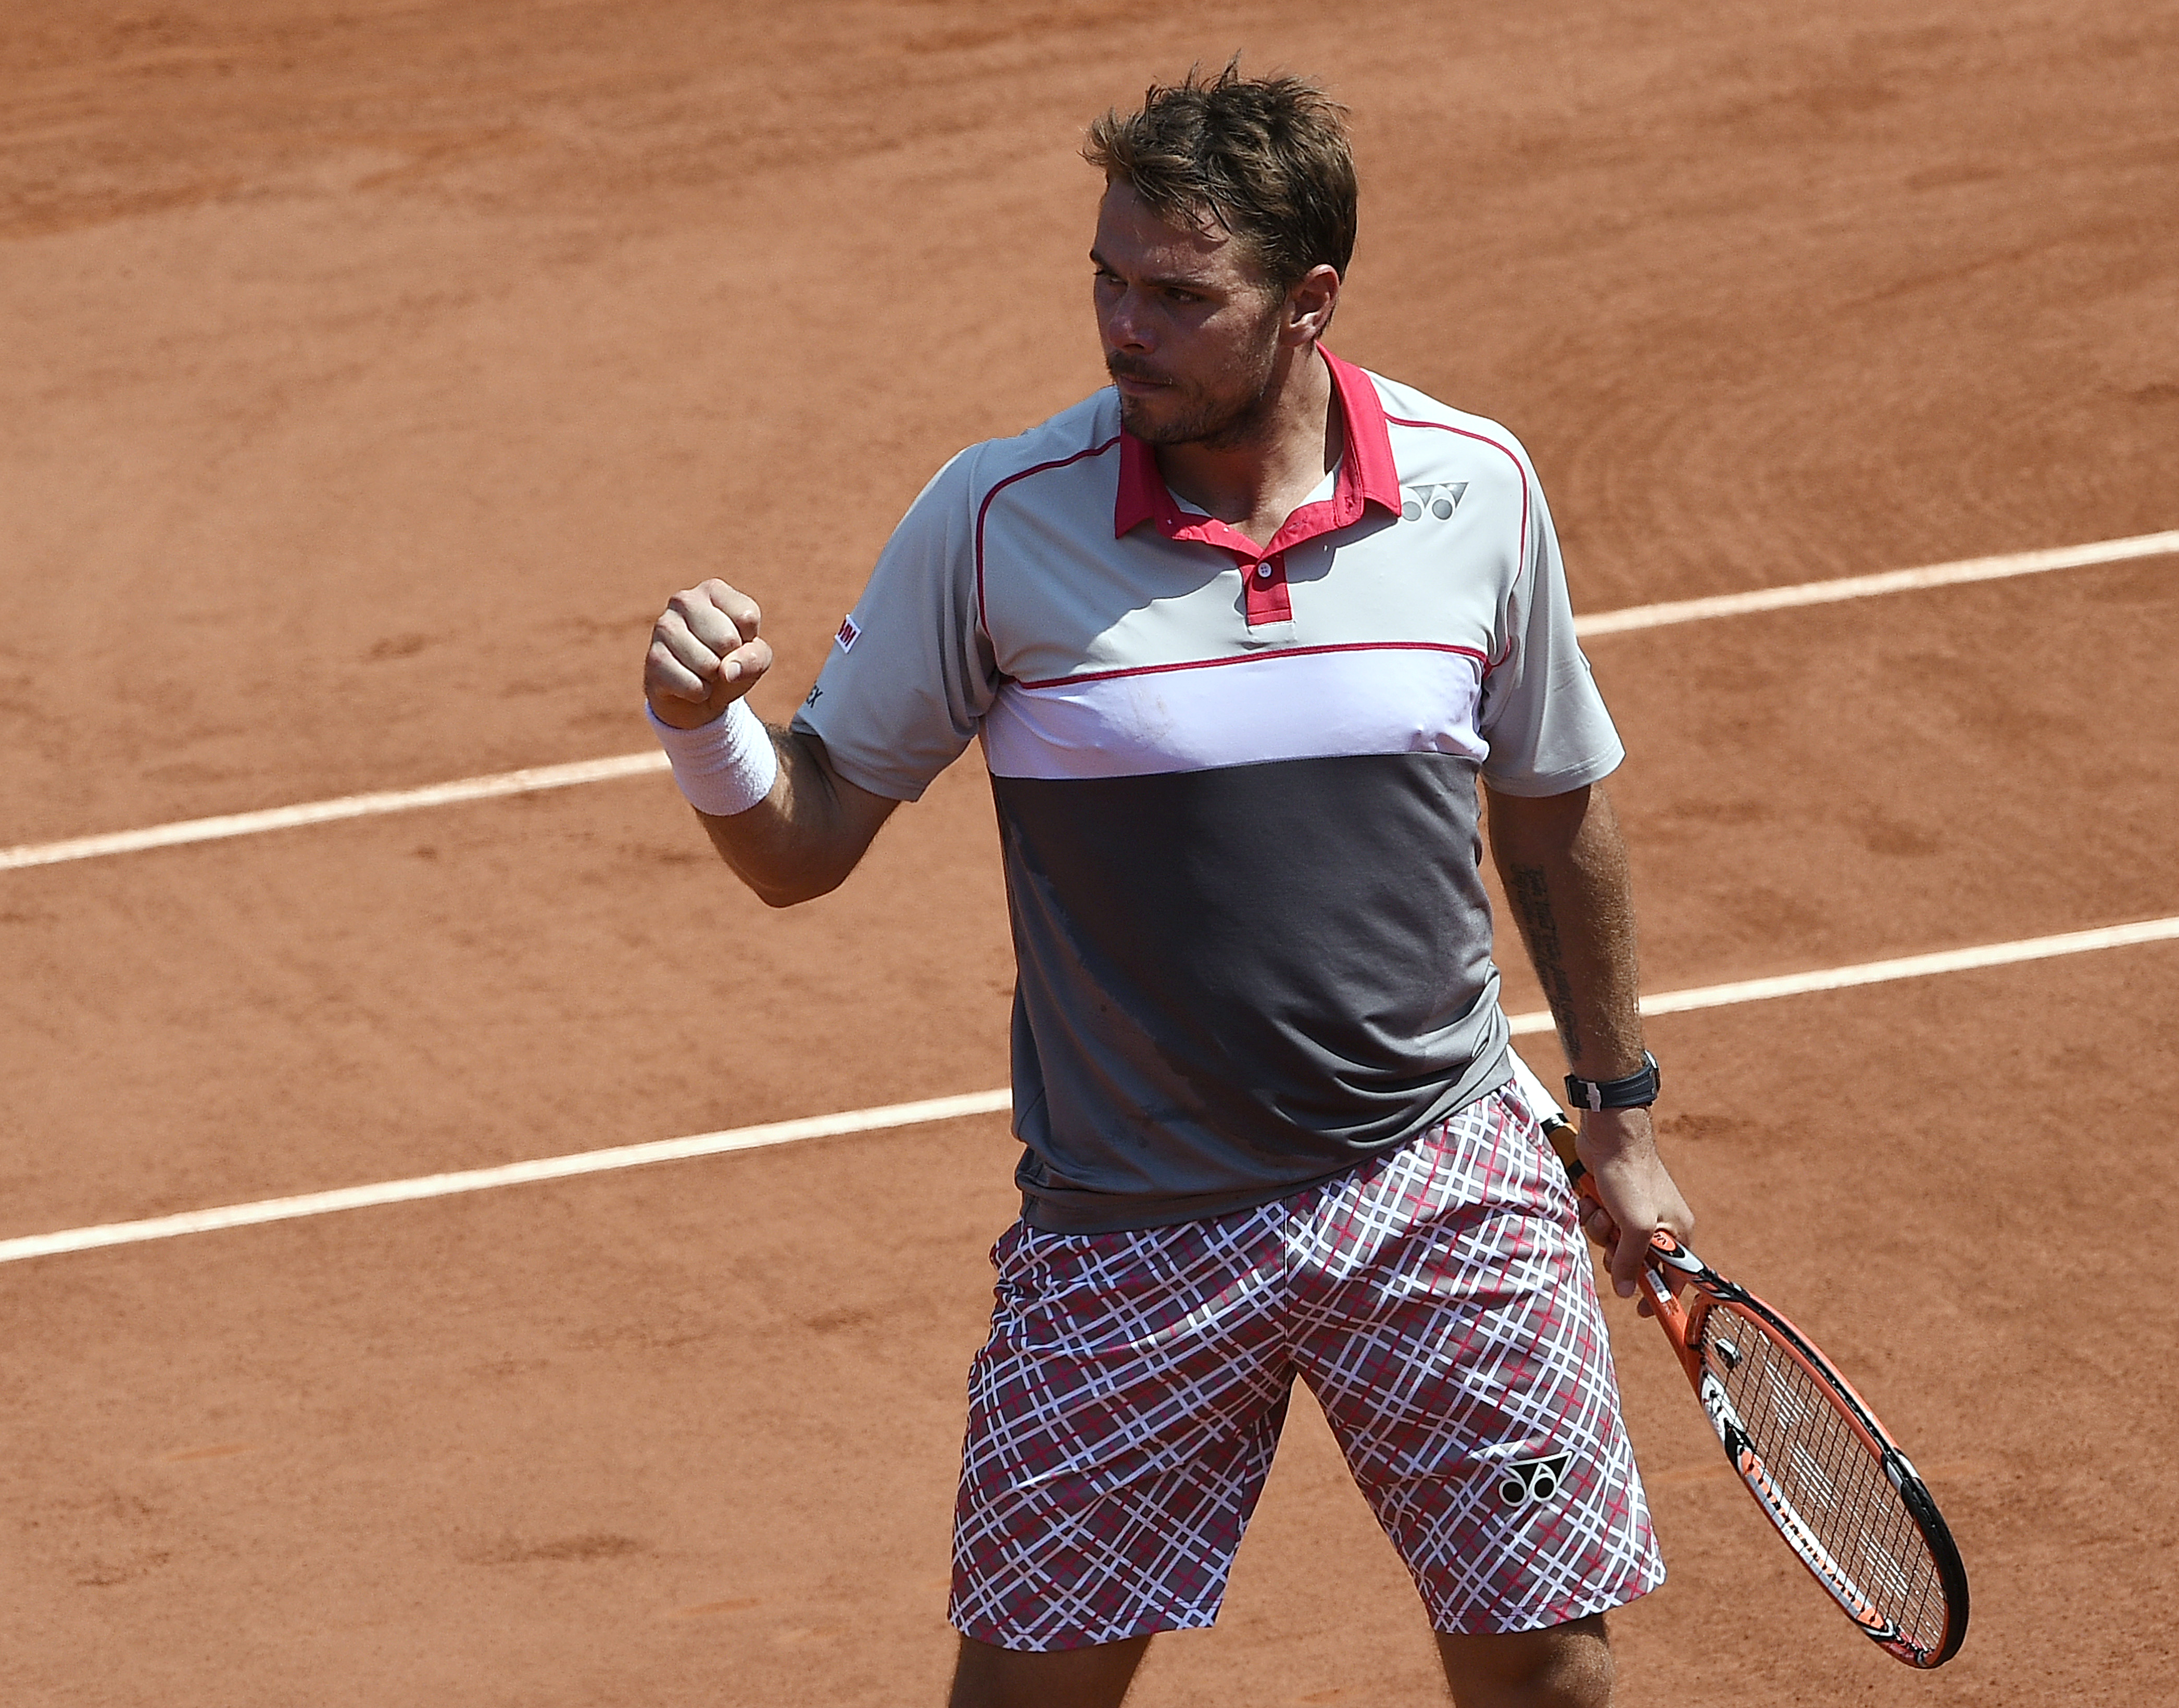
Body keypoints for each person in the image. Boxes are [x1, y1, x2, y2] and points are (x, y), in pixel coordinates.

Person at [639, 64, 1693, 1708]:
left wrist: (1619, 1119)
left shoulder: (1477, 487)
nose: (1124, 328)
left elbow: (1551, 807)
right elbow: (810, 836)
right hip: (1130, 1228)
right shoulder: (998, 523)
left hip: (1440, 1186)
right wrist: (704, 730)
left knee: (1552, 1675)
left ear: (1308, 303)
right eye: (1108, 281)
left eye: (1178, 296)